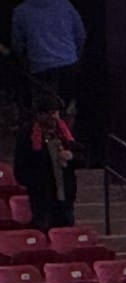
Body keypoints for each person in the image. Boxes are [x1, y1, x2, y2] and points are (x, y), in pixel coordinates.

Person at [10, 0, 85, 107]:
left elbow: (17, 46)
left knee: (46, 111)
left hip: (40, 69)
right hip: (69, 64)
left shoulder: (21, 12)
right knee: (68, 107)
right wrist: (76, 58)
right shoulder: (65, 5)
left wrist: (25, 65)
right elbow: (81, 35)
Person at [14, 92, 75, 231]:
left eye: (55, 112)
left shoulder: (65, 133)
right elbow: (20, 169)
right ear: (39, 115)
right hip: (43, 199)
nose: (53, 117)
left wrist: (70, 157)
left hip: (64, 197)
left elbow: (79, 158)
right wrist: (36, 185)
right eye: (49, 113)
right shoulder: (27, 135)